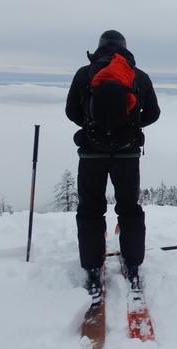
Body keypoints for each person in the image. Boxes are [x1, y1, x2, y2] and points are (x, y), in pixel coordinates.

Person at [66, 30, 160, 299]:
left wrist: (93, 125)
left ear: (99, 48)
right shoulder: (138, 75)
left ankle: (93, 269)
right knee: (129, 209)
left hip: (91, 154)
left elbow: (72, 111)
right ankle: (133, 265)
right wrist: (129, 126)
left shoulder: (85, 73)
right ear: (124, 48)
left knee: (90, 210)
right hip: (127, 155)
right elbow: (153, 113)